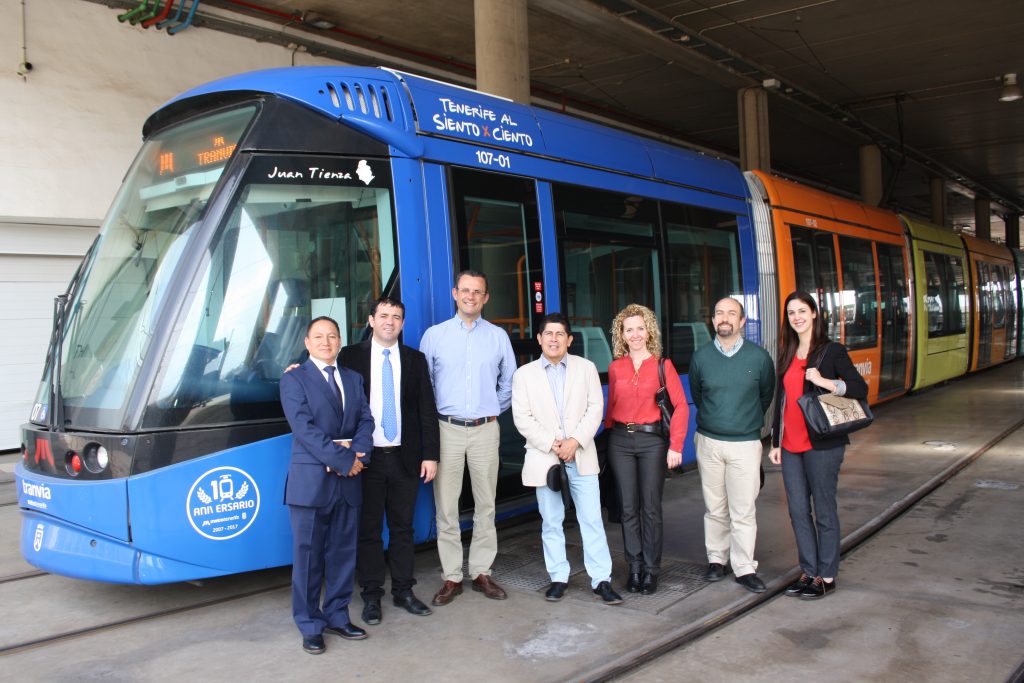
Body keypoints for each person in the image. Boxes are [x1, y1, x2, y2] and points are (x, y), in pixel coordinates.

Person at [339, 297, 440, 625]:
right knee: (368, 531)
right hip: (365, 460)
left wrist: (430, 455)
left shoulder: (415, 360)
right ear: (371, 320)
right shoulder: (350, 357)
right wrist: (297, 370)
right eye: (383, 315)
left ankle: (404, 591)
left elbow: (427, 411)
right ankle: (371, 596)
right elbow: (326, 381)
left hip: (404, 459)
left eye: (396, 317)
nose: (389, 322)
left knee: (402, 529)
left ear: (402, 323)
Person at [511, 313, 623, 605]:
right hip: (545, 458)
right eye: (548, 334)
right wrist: (552, 443)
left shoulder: (586, 369)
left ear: (569, 340)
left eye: (560, 334)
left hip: (581, 455)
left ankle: (601, 580)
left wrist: (575, 441)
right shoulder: (524, 375)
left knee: (592, 520)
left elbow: (595, 408)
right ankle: (558, 577)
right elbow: (522, 418)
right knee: (552, 521)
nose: (553, 339)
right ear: (539, 339)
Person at [419, 270, 517, 605]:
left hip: (486, 429)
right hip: (445, 429)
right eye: (465, 290)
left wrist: (490, 409)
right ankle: (451, 576)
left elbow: (510, 382)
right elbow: (425, 386)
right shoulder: (434, 336)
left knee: (485, 504)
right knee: (446, 507)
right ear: (454, 294)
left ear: (486, 297)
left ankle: (481, 571)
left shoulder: (498, 337)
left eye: (477, 292)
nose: (470, 297)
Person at [279, 316, 376, 654]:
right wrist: (345, 460)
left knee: (342, 555)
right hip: (311, 483)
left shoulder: (353, 378)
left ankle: (337, 615)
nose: (326, 342)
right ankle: (310, 625)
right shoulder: (294, 380)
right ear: (307, 343)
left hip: (348, 483)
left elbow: (366, 419)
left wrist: (360, 451)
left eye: (332, 336)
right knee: (307, 559)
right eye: (318, 337)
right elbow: (304, 430)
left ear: (340, 341)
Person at [768, 291, 868, 600]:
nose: (796, 317)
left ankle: (827, 575)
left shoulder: (831, 351)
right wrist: (775, 442)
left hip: (822, 444)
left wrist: (825, 382)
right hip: (790, 445)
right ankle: (808, 571)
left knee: (824, 510)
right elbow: (781, 402)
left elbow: (859, 387)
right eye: (791, 313)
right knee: (798, 511)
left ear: (814, 313)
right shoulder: (786, 352)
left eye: (802, 311)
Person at [688, 297, 775, 593]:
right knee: (714, 507)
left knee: (743, 509)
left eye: (731, 314)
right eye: (719, 313)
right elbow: (699, 396)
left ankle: (744, 567)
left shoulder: (759, 358)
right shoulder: (701, 358)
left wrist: (742, 421)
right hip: (709, 441)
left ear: (742, 322)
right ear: (713, 320)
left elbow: (765, 396)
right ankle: (716, 559)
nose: (724, 318)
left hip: (744, 443)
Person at [604, 303, 689, 595]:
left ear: (649, 331)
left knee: (650, 508)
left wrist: (675, 445)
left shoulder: (663, 365)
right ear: (622, 335)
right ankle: (635, 568)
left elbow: (680, 408)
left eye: (641, 328)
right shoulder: (616, 368)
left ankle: (652, 570)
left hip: (653, 442)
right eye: (630, 330)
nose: (636, 334)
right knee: (628, 509)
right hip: (620, 442)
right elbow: (610, 409)